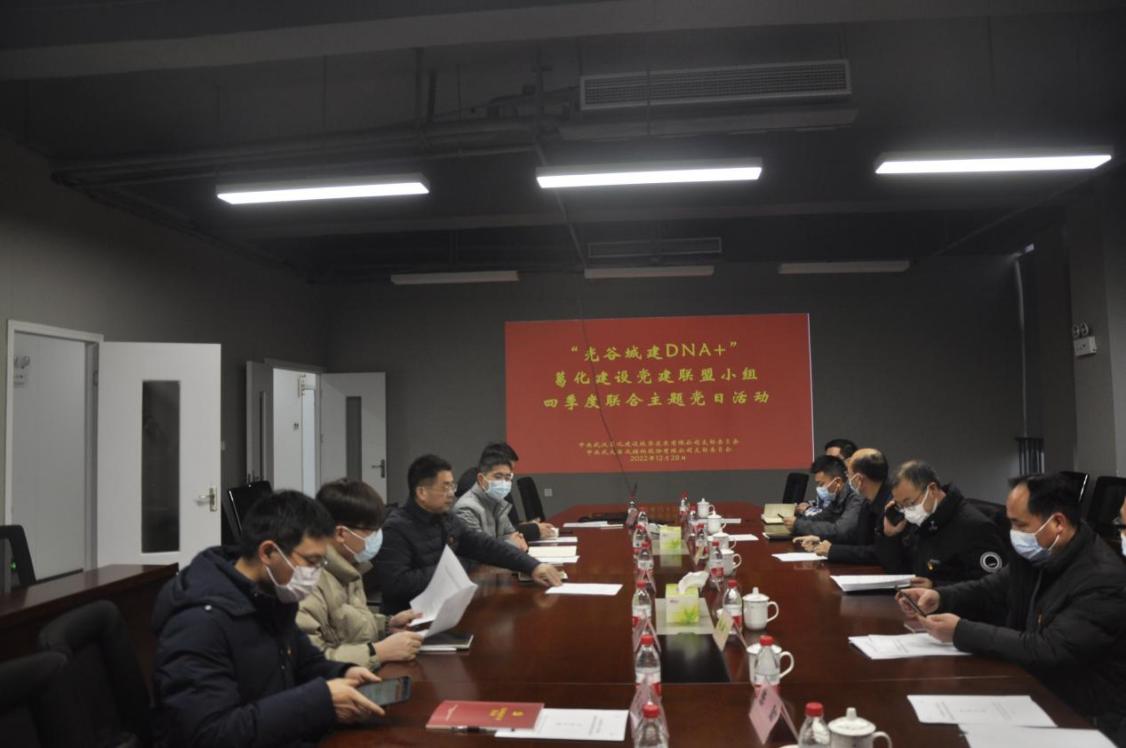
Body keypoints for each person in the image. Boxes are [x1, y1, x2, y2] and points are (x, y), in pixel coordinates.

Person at [899, 474, 1126, 745]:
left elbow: (1050, 649)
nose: (1014, 533)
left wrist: (960, 631)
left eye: (1020, 524)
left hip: (1086, 715)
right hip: (1033, 688)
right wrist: (940, 596)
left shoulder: (1102, 579)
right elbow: (992, 587)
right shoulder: (1038, 552)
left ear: (1057, 523)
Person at [152, 491, 384, 748]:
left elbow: (306, 663)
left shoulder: (272, 597)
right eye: (311, 561)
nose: (315, 573)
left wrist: (344, 673)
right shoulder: (198, 624)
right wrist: (320, 700)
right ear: (268, 551)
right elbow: (210, 734)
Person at [375, 454, 564, 614]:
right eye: (445, 487)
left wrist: (533, 566)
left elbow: (485, 546)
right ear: (422, 492)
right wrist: (458, 566)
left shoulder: (446, 519)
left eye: (452, 486)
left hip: (446, 607)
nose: (452, 493)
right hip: (409, 619)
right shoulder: (395, 529)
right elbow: (397, 585)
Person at [297, 478, 424, 670]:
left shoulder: (348, 563)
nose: (377, 537)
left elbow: (345, 624)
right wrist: (377, 652)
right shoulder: (306, 581)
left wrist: (387, 625)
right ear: (341, 533)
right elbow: (310, 661)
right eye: (370, 531)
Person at [876, 460, 1006, 585]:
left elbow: (992, 585)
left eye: (910, 503)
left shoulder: (975, 527)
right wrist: (891, 537)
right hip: (923, 597)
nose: (907, 512)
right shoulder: (922, 522)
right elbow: (900, 571)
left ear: (932, 489)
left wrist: (936, 587)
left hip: (952, 600)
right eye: (901, 506)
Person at [796, 448, 891, 561]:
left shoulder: (891, 504)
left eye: (848, 475)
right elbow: (859, 540)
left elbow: (881, 553)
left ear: (858, 479)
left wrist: (833, 550)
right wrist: (820, 541)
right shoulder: (867, 502)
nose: (846, 480)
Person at [455, 442, 555, 541]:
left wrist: (521, 530)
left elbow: (509, 531)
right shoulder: (469, 500)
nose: (504, 482)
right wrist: (529, 532)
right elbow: (485, 543)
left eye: (508, 476)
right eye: (498, 476)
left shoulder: (497, 500)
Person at [454, 449, 532, 551]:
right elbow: (479, 550)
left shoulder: (498, 503)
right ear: (481, 479)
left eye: (507, 478)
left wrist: (516, 542)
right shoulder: (466, 508)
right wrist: (513, 543)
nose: (503, 482)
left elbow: (513, 536)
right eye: (498, 476)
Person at [784, 454, 864, 543]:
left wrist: (798, 525)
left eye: (821, 484)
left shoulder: (856, 499)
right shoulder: (837, 497)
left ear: (837, 481)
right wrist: (795, 522)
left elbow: (841, 530)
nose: (819, 488)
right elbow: (821, 518)